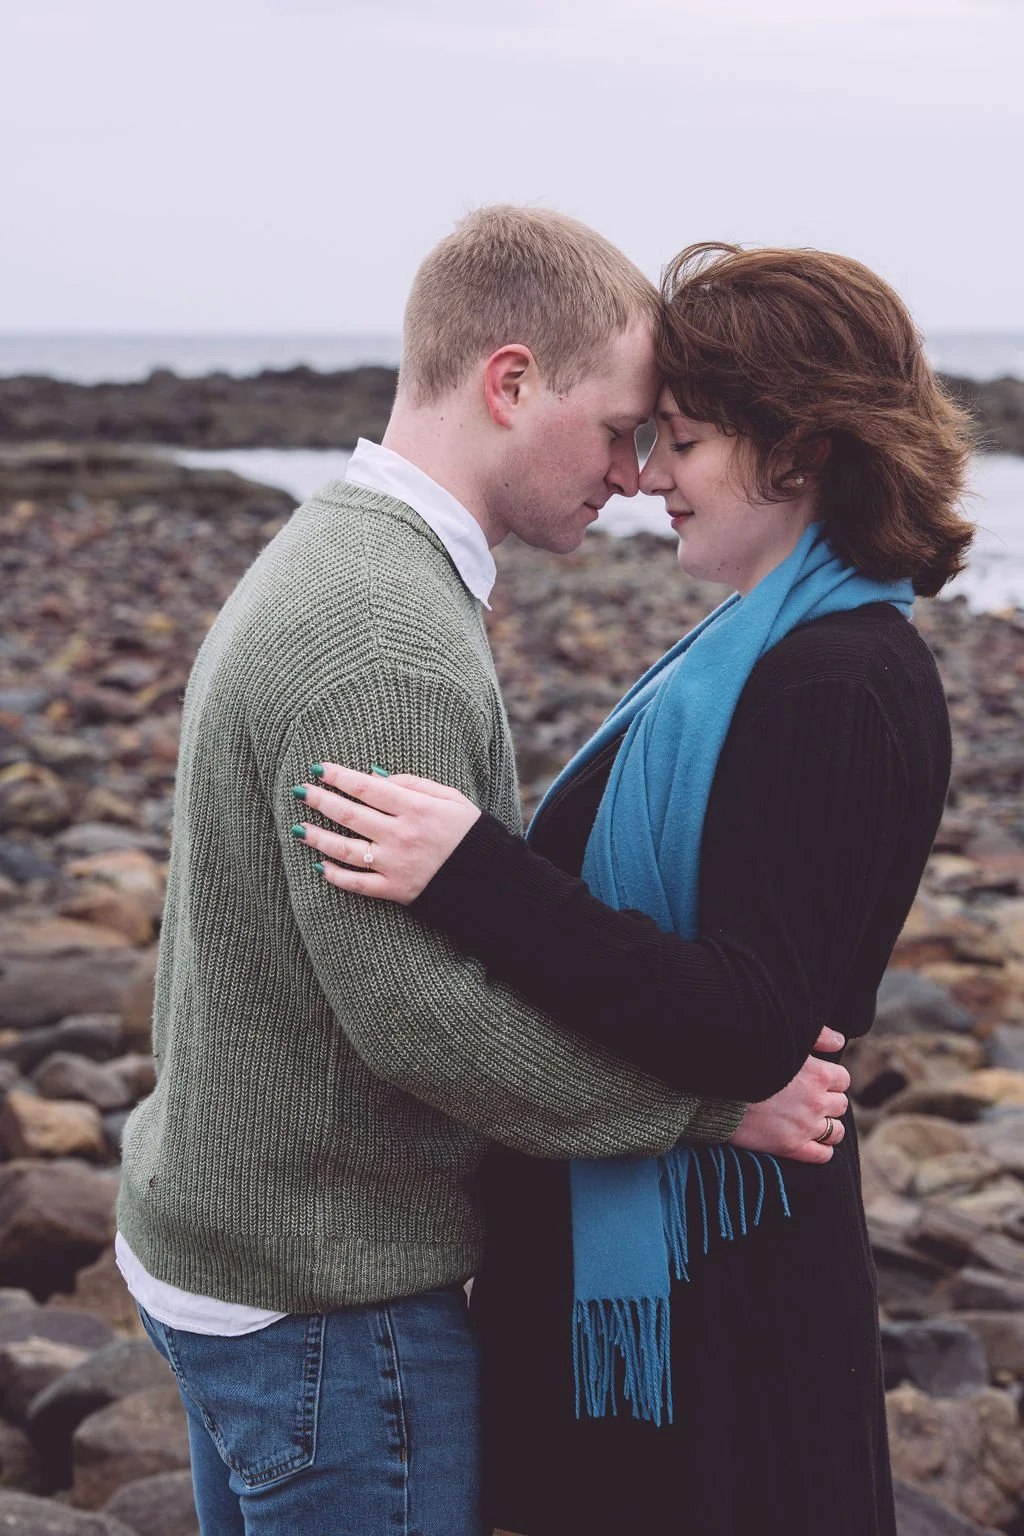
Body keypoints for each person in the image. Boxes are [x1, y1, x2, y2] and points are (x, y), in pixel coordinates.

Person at [114, 212, 846, 1536]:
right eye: (623, 425)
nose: (636, 474)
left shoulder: (339, 556)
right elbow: (421, 1022)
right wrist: (704, 1109)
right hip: (325, 1303)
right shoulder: (383, 636)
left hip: (240, 1259)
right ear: (510, 383)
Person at [287, 242, 974, 1536]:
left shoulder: (841, 684)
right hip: (665, 1271)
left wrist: (471, 871)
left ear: (805, 451)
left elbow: (748, 1020)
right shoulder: (753, 646)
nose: (649, 476)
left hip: (722, 1313)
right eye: (648, 436)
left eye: (686, 442)